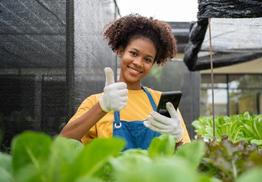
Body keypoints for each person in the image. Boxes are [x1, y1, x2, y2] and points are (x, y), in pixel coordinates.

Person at [60, 14, 190, 150]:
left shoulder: (162, 103)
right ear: (121, 51)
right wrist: (102, 107)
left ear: (152, 64)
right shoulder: (95, 102)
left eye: (147, 59)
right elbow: (63, 142)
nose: (138, 63)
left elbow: (188, 157)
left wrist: (178, 139)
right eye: (133, 53)